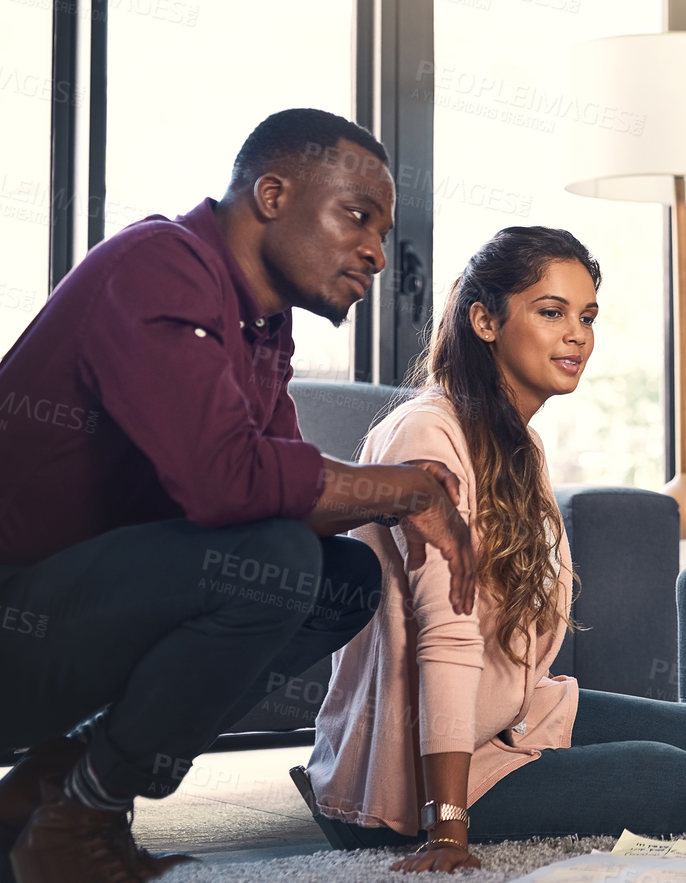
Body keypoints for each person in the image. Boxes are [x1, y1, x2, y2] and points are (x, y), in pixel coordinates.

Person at [0, 109, 476, 883]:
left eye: (383, 233)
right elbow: (226, 480)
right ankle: (76, 821)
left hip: (67, 622)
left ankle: (57, 787)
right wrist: (402, 485)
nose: (377, 253)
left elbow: (277, 484)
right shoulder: (158, 266)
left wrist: (398, 498)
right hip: (16, 619)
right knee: (277, 559)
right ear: (273, 193)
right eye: (357, 217)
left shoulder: (260, 325)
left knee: (342, 578)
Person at [312, 226, 686, 870]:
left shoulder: (520, 444)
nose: (577, 334)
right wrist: (447, 831)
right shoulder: (428, 436)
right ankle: (437, 812)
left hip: (512, 717)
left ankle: (554, 769)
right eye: (551, 313)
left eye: (587, 317)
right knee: (682, 786)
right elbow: (448, 636)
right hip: (414, 772)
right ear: (485, 321)